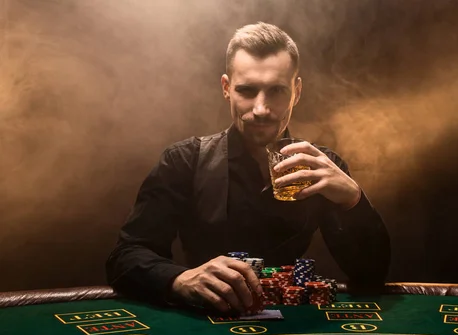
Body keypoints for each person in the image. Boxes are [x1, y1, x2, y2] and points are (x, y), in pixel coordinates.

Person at [106, 22, 390, 313]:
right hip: (205, 322)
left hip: (295, 329)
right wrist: (179, 278)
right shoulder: (184, 160)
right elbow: (125, 256)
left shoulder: (322, 167)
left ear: (297, 91)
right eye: (247, 90)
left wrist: (353, 200)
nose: (261, 109)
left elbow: (371, 274)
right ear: (227, 88)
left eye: (277, 91)